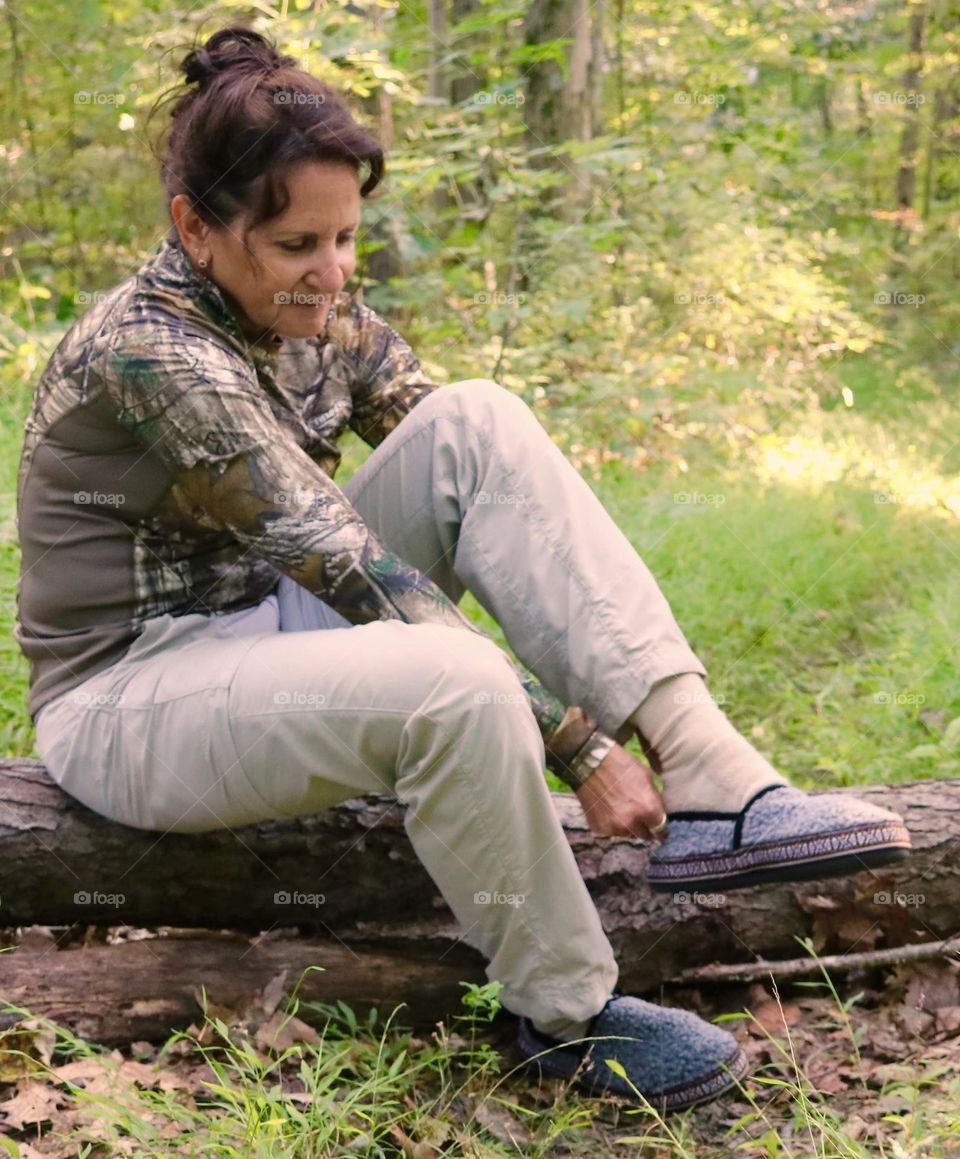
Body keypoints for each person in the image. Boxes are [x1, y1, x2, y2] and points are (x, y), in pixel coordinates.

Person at [15, 26, 911, 1112]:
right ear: (196, 229)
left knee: (477, 417)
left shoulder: (313, 311)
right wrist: (574, 745)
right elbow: (339, 555)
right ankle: (563, 1014)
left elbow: (457, 460)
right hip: (130, 699)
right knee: (457, 677)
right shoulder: (150, 350)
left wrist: (618, 723)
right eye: (300, 244)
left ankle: (715, 771)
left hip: (265, 631)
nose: (333, 274)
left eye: (347, 239)